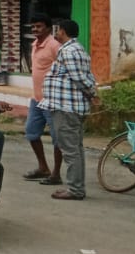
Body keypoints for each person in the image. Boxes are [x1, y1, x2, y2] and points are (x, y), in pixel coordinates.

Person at [41, 18, 98, 202]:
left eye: (57, 30)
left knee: (70, 149)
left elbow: (79, 77)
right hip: (71, 106)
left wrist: (92, 93)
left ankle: (75, 189)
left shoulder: (69, 51)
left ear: (63, 31)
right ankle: (76, 186)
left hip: (66, 107)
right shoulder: (76, 49)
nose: (56, 33)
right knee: (75, 148)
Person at [23, 16, 64, 184]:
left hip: (52, 100)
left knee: (57, 138)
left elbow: (63, 69)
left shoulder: (55, 46)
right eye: (33, 27)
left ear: (48, 28)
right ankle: (43, 168)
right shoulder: (34, 44)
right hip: (36, 99)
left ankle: (56, 173)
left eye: (39, 26)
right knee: (31, 133)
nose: (35, 29)